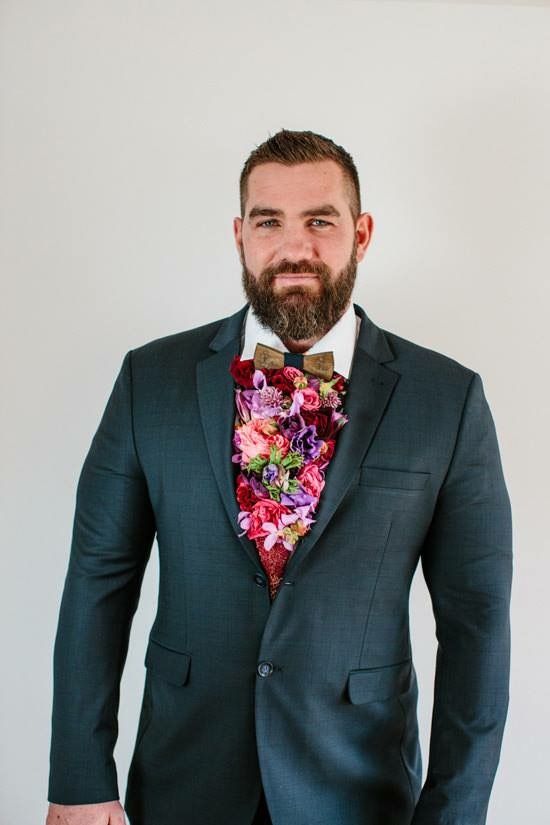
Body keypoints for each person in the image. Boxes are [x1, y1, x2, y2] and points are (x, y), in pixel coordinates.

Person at [46, 129, 512, 825]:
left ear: (361, 232)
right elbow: (97, 580)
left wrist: (456, 811)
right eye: (270, 221)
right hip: (184, 781)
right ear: (240, 235)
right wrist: (80, 779)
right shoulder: (152, 379)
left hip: (361, 790)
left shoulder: (447, 398)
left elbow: (478, 623)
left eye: (320, 221)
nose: (295, 247)